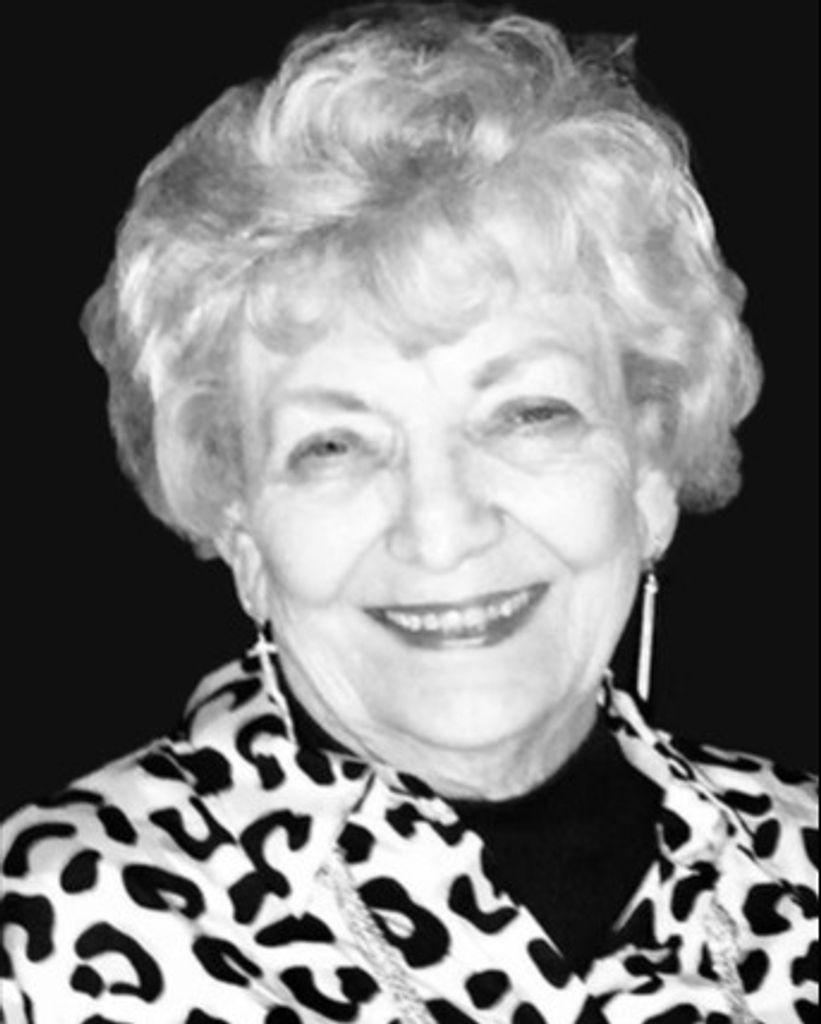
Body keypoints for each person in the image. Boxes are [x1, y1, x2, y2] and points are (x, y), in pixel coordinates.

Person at [1, 3, 817, 1021]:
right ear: (240, 524)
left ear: (648, 467)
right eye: (333, 446)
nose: (440, 529)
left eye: (527, 414)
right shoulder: (41, 936)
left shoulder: (800, 863)